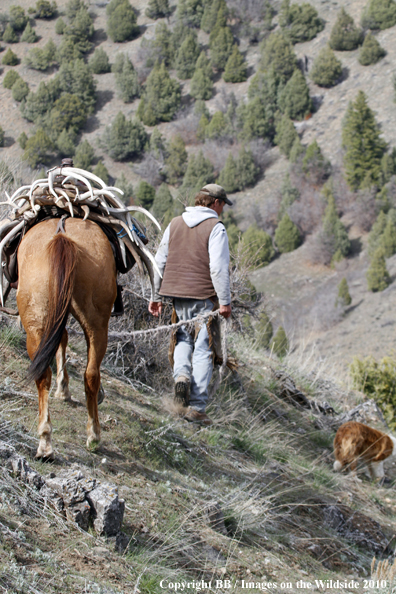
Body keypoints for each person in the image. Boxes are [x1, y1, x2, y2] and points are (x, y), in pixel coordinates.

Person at [148, 184, 232, 426]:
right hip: (204, 297)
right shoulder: (216, 228)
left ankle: (182, 376)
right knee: (204, 348)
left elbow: (159, 261)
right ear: (215, 203)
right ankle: (196, 407)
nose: (223, 209)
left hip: (176, 296)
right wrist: (224, 302)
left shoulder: (175, 223)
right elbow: (217, 268)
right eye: (223, 204)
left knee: (183, 339)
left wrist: (155, 295)